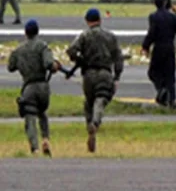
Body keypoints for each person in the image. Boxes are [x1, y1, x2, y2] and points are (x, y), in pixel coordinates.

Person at [67, 8, 124, 153]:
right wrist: (117, 76)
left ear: (87, 21)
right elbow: (118, 58)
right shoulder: (110, 36)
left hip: (88, 74)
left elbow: (71, 51)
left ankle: (89, 127)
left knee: (88, 102)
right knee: (102, 99)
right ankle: (96, 123)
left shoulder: (84, 36)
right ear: (100, 20)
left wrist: (80, 60)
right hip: (105, 72)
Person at [7, 19, 61, 156]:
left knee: (30, 117)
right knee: (42, 113)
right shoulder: (42, 46)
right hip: (43, 87)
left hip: (29, 87)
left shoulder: (19, 50)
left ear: (25, 33)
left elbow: (10, 67)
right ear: (37, 32)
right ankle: (46, 138)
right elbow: (49, 63)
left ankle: (35, 147)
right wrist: (55, 66)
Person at [142, 0, 176, 109]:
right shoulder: (173, 17)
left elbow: (151, 33)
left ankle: (162, 89)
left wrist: (145, 46)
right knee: (170, 74)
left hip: (158, 48)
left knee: (153, 72)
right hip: (170, 48)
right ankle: (172, 100)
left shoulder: (153, 17)